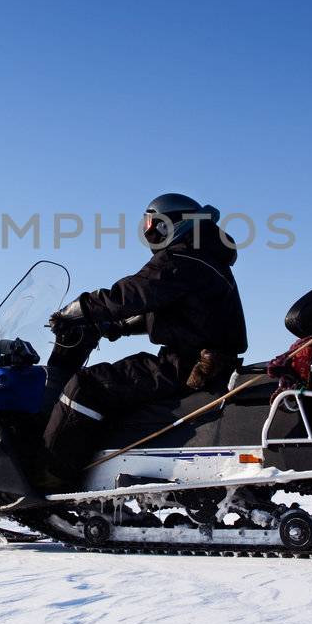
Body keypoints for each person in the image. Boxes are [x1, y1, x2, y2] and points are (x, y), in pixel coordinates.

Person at [32, 193, 247, 489]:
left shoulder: (182, 257)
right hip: (203, 361)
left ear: (170, 224)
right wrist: (114, 326)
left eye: (152, 223)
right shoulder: (205, 257)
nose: (148, 231)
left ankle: (50, 479)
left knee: (86, 386)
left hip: (186, 364)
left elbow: (133, 294)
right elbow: (170, 312)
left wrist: (79, 309)